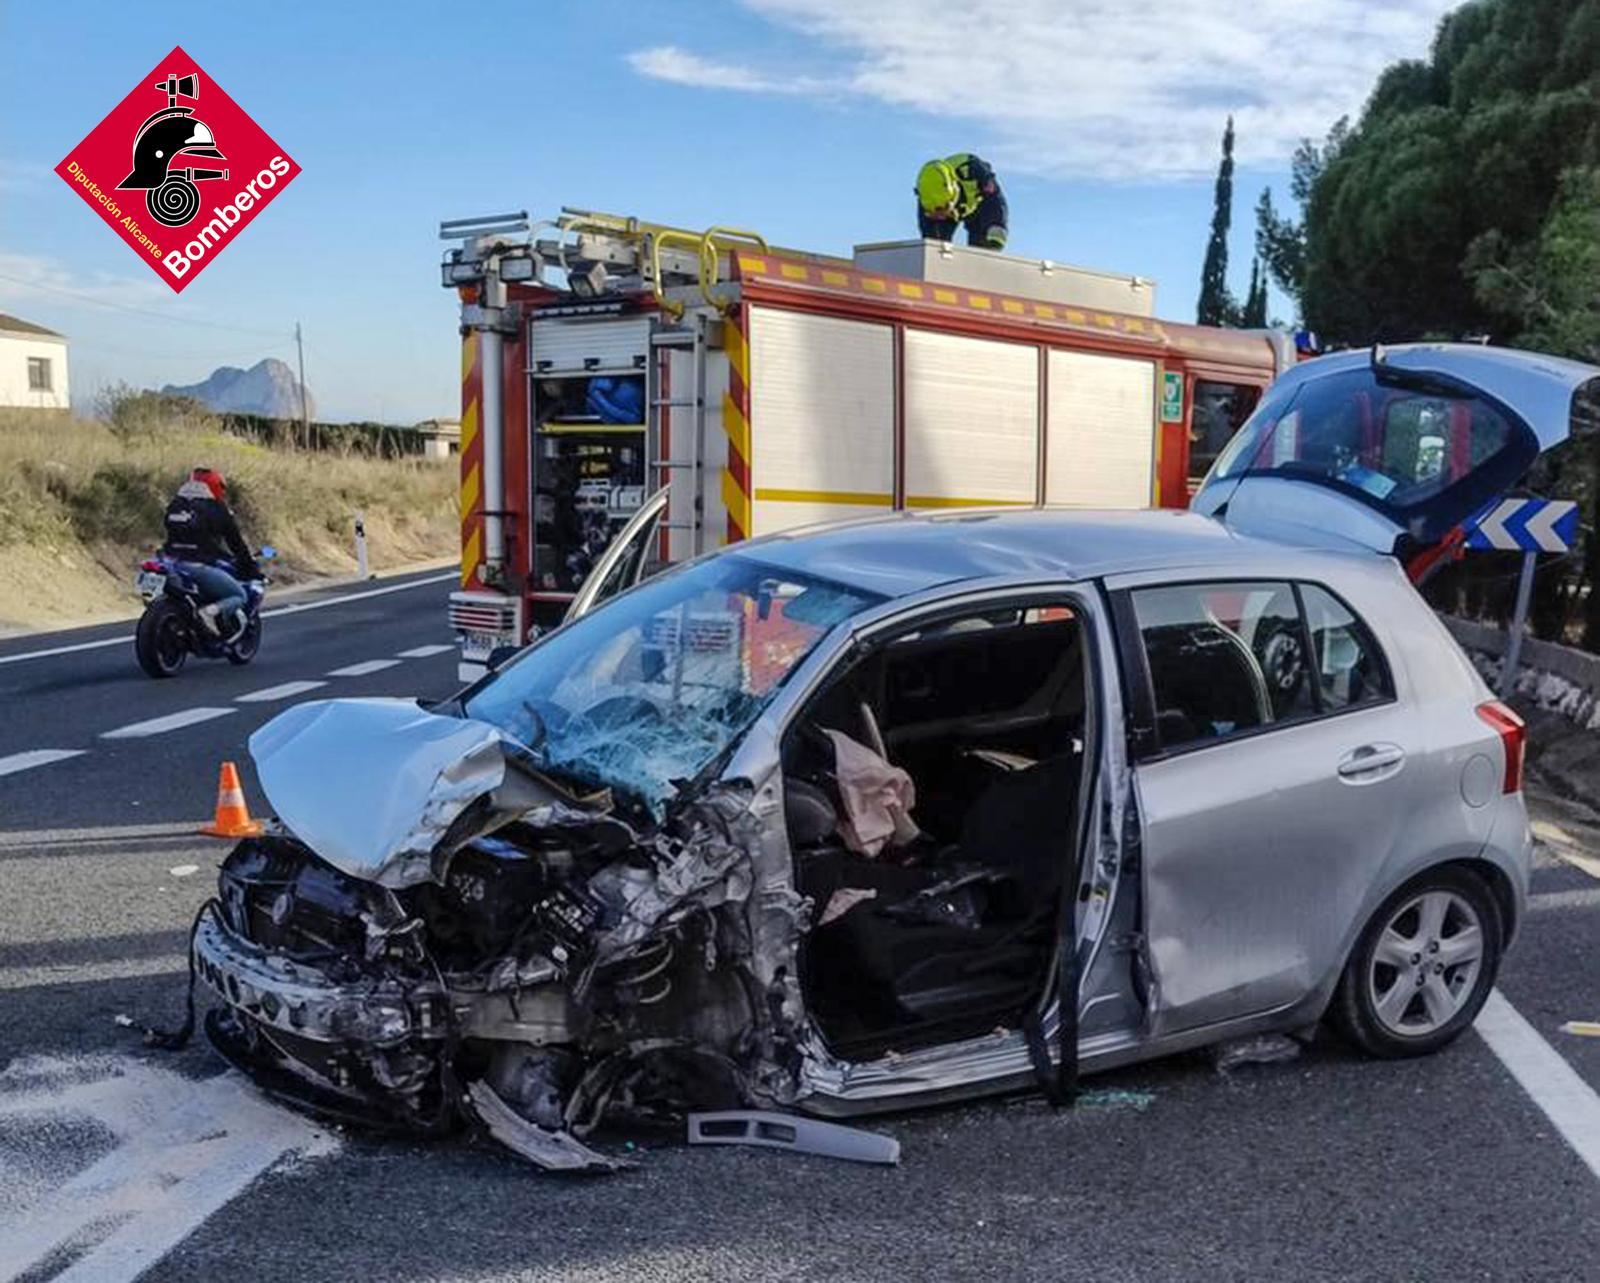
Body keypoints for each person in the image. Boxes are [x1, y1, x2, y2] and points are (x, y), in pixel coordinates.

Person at [161, 466, 260, 643]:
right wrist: (251, 568)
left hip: (169, 562)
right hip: (199, 566)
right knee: (239, 596)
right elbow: (236, 544)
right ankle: (209, 613)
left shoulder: (175, 504)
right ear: (215, 486)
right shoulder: (216, 508)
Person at [915, 154, 1009, 250]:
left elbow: (995, 202)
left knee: (983, 248)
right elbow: (930, 244)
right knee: (937, 248)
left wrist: (996, 232)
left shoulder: (975, 172)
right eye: (936, 213)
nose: (941, 215)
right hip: (955, 208)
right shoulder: (927, 199)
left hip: (978, 206)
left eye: (943, 209)